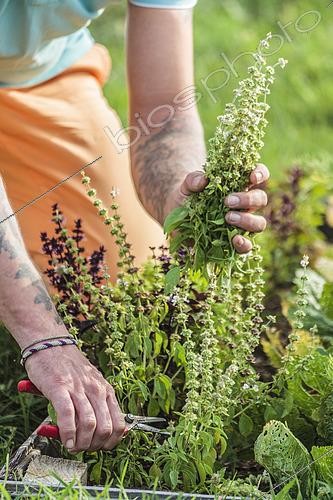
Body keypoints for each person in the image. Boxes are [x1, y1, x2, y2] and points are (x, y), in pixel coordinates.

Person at [0, 0, 269, 453]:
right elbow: (43, 334)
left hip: (37, 79)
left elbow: (164, 112)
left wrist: (180, 200)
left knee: (109, 286)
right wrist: (43, 340)